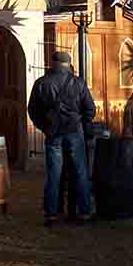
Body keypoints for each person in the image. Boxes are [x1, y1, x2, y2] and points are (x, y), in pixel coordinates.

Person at [28, 50, 97, 226]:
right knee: (80, 172)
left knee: (54, 174)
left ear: (53, 64)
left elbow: (33, 110)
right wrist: (84, 123)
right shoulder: (78, 83)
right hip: (75, 131)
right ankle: (85, 211)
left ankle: (51, 214)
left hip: (53, 133)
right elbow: (90, 109)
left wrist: (45, 127)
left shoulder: (42, 83)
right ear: (68, 64)